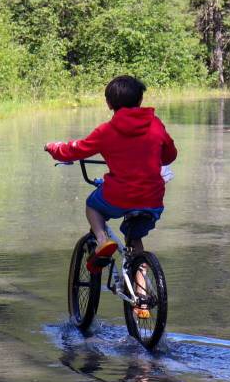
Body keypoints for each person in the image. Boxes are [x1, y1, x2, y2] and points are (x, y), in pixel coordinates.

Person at [44, 75, 177, 307]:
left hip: (119, 195)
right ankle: (142, 298)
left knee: (93, 205)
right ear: (140, 99)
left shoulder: (107, 130)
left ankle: (102, 239)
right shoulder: (155, 125)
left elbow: (76, 150)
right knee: (135, 241)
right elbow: (170, 155)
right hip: (151, 198)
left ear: (109, 103)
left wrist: (53, 148)